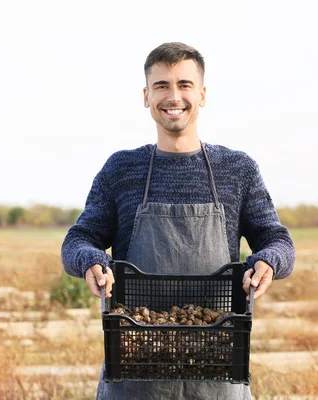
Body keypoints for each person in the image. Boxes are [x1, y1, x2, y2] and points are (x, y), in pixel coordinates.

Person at [61, 42, 295, 400]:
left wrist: (268, 261)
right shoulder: (122, 169)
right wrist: (89, 260)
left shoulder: (237, 169)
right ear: (146, 96)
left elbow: (278, 241)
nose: (174, 97)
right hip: (135, 370)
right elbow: (78, 240)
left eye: (185, 85)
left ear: (202, 94)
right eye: (161, 86)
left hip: (218, 370)